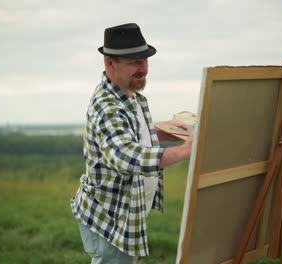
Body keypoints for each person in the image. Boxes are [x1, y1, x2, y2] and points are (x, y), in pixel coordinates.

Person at [70, 23, 193, 264]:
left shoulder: (132, 96)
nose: (143, 68)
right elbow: (126, 156)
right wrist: (185, 151)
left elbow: (131, 138)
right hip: (111, 217)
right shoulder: (108, 106)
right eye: (134, 62)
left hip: (127, 212)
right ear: (109, 63)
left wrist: (163, 132)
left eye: (145, 59)